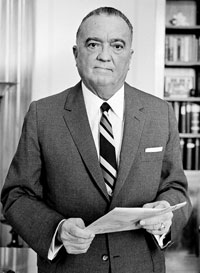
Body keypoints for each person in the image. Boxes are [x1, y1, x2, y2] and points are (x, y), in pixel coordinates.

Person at [1, 6, 192, 273]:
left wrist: (166, 213)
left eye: (117, 45)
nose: (105, 56)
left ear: (130, 56)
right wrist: (57, 230)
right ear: (76, 53)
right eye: (93, 44)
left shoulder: (160, 113)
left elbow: (177, 189)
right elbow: (16, 195)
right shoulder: (42, 115)